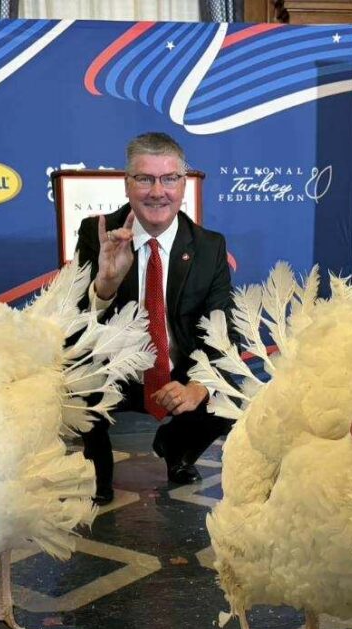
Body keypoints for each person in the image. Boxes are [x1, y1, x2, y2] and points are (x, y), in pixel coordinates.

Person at [75, 132, 234, 505]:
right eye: (145, 178)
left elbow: (223, 329)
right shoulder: (97, 233)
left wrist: (198, 385)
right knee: (73, 370)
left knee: (236, 385)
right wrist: (105, 287)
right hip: (115, 370)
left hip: (178, 371)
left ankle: (177, 448)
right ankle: (98, 467)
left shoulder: (209, 246)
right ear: (127, 183)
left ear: (183, 184)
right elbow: (73, 326)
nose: (157, 191)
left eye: (169, 179)